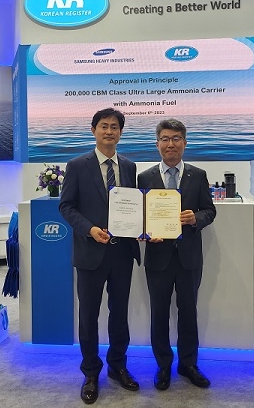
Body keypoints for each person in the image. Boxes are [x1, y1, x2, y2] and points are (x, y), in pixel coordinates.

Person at [59, 108, 141, 405]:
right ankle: (91, 372)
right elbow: (66, 206)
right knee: (89, 316)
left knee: (119, 314)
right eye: (104, 126)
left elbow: (133, 207)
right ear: (93, 130)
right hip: (90, 253)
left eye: (114, 127)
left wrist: (142, 227)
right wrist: (89, 229)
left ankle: (118, 366)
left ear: (121, 132)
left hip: (122, 253)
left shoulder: (129, 166)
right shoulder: (77, 166)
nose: (109, 131)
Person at [137, 118, 216, 391]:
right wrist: (143, 232)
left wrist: (196, 218)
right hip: (157, 257)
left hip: (188, 257)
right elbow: (140, 217)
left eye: (176, 139)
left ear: (184, 142)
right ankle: (163, 365)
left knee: (188, 312)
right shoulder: (144, 177)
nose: (170, 144)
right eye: (165, 139)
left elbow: (210, 211)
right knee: (158, 313)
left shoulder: (198, 175)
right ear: (157, 144)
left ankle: (188, 364)